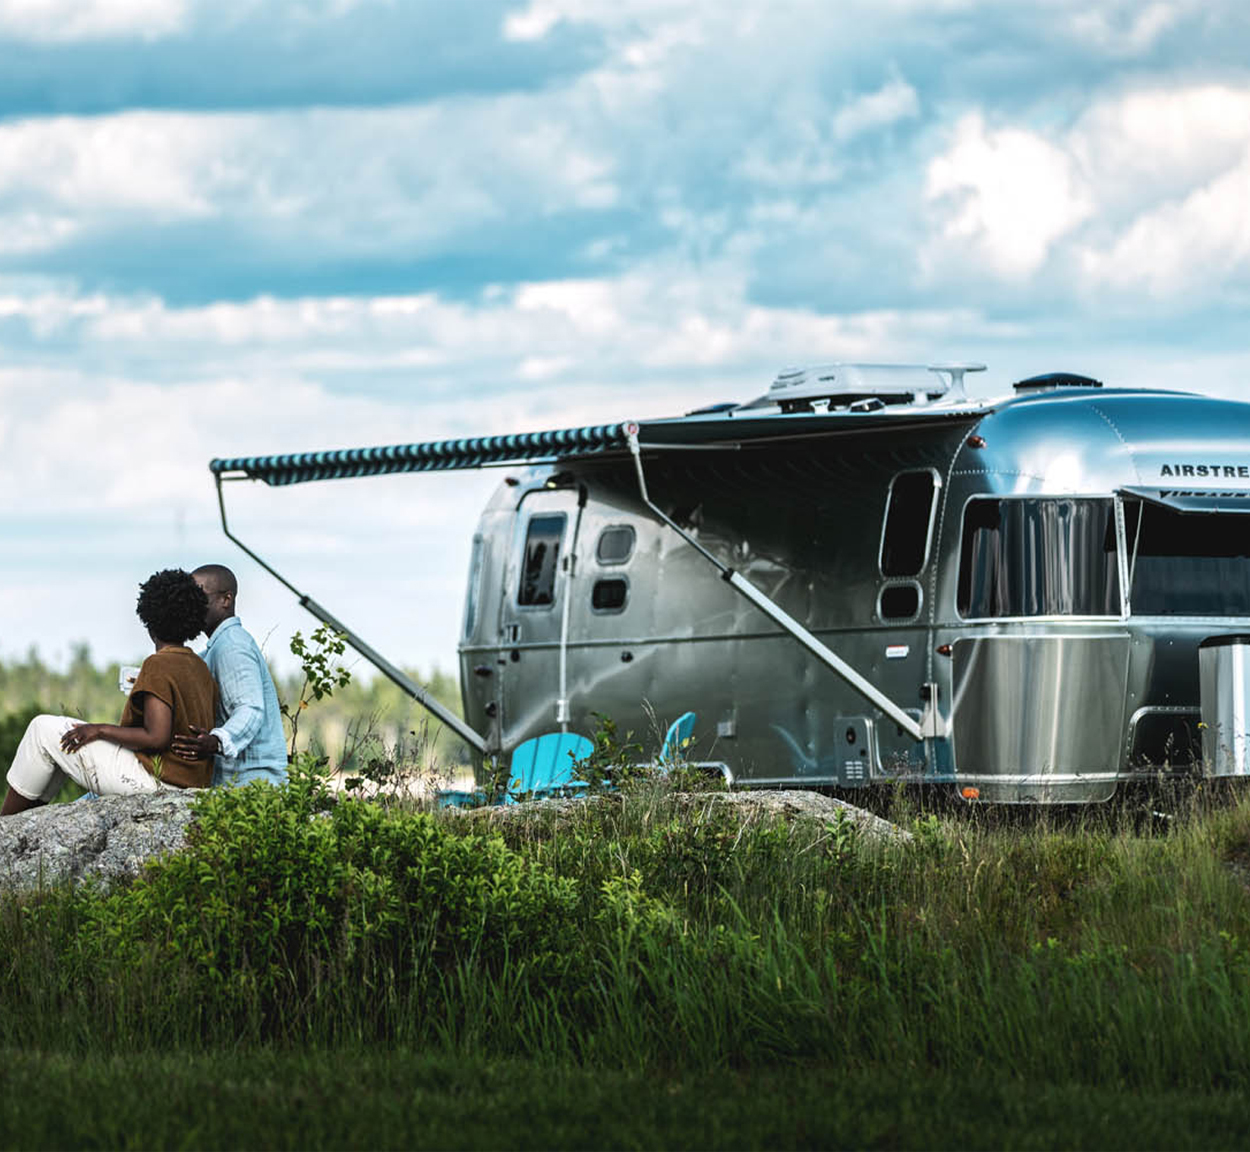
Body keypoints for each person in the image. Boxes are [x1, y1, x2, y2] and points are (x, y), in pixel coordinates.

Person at [2, 569, 218, 815]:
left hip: (158, 780)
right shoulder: (199, 666)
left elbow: (157, 736)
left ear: (150, 623)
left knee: (42, 730)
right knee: (60, 739)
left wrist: (99, 729)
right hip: (190, 782)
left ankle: (6, 824)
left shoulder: (158, 664)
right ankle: (22, 823)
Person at [170, 564, 287, 786]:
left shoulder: (232, 645)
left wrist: (217, 741)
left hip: (252, 786)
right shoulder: (218, 647)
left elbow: (250, 707)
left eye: (198, 597)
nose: (191, 606)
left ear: (226, 599)